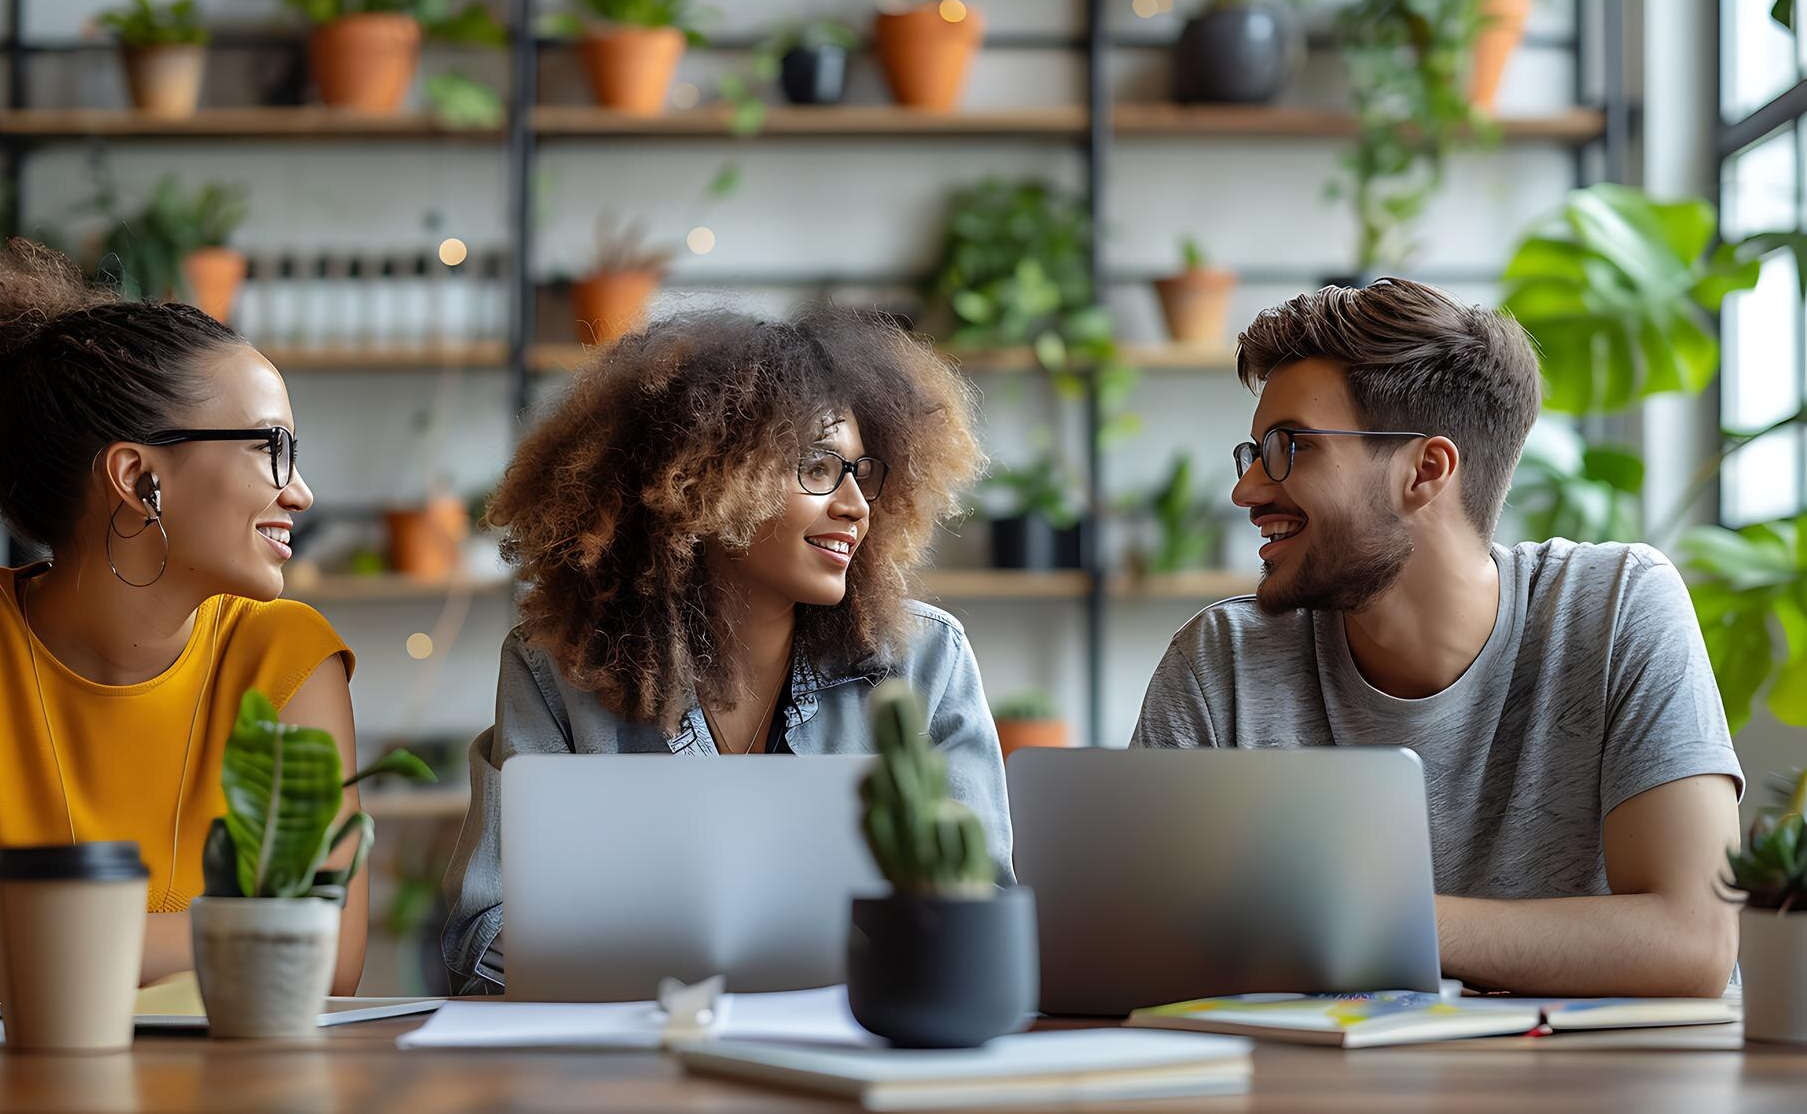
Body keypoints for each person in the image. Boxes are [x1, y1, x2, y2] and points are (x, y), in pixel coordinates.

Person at [1130, 279, 1743, 998]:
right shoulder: (1221, 662)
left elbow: (1693, 941)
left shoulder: (1614, 608)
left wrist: (1372, 920)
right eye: (1255, 453)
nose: (1248, 490)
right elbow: (1135, 946)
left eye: (1289, 447)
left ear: (1425, 471)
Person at [440, 308, 1013, 994]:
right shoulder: (555, 670)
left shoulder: (925, 661)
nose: (856, 504)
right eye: (819, 468)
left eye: (862, 473)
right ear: (703, 483)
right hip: (636, 1050)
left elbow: (983, 920)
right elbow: (485, 934)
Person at [0, 240, 366, 991]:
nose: (301, 492)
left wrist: (28, 932)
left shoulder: (289, 655)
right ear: (136, 476)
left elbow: (326, 958)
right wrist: (241, 925)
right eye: (271, 448)